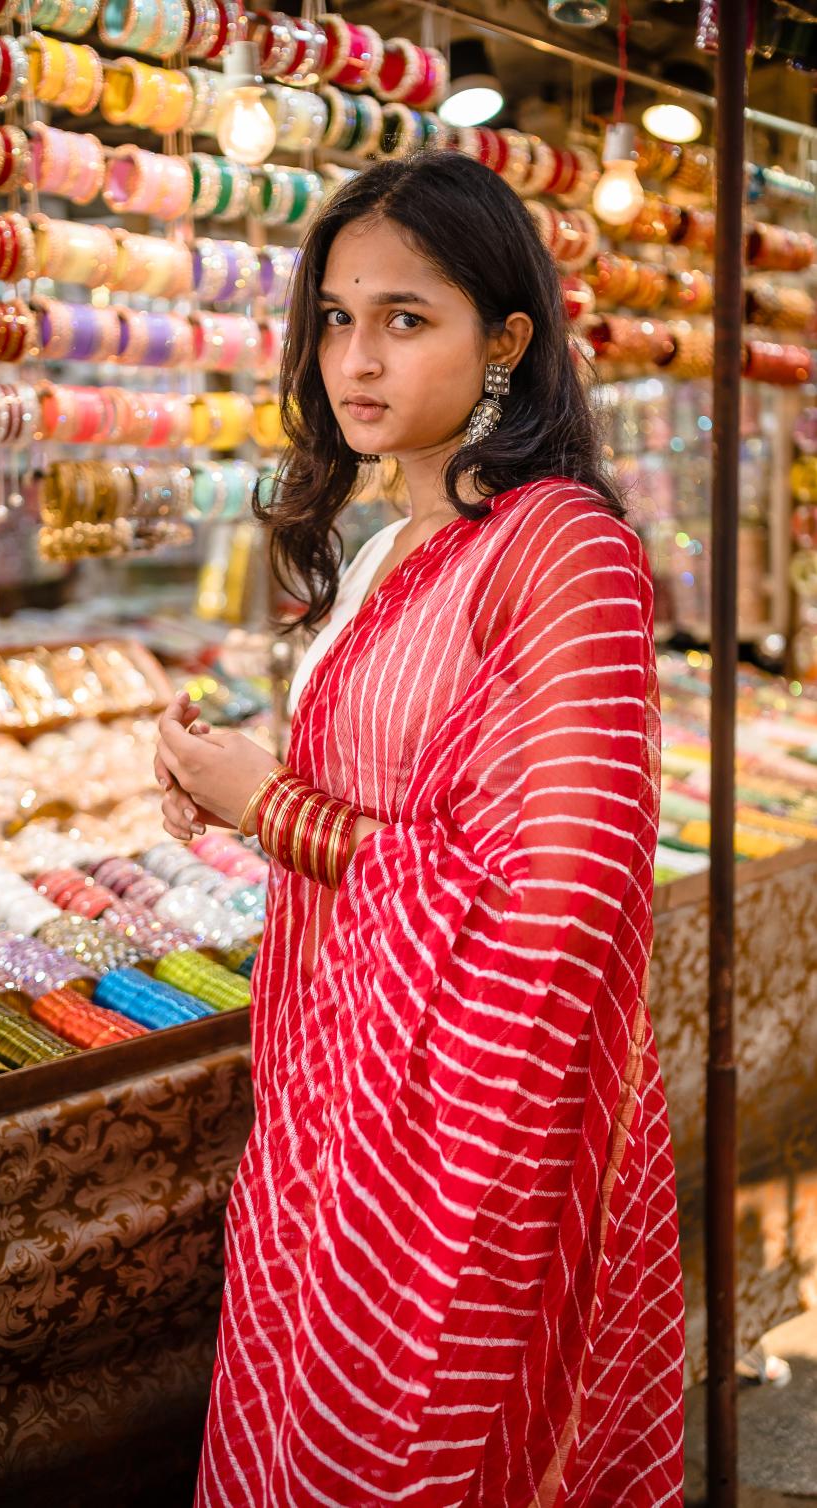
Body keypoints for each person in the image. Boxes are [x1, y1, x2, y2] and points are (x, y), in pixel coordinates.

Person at [155, 151, 684, 1507]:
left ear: (506, 341)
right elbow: (393, 802)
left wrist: (273, 809)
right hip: (333, 1087)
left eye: (407, 317)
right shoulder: (386, 544)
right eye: (335, 318)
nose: (357, 358)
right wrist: (252, 785)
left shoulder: (560, 546)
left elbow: (558, 906)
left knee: (414, 1455)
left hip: (469, 1131)